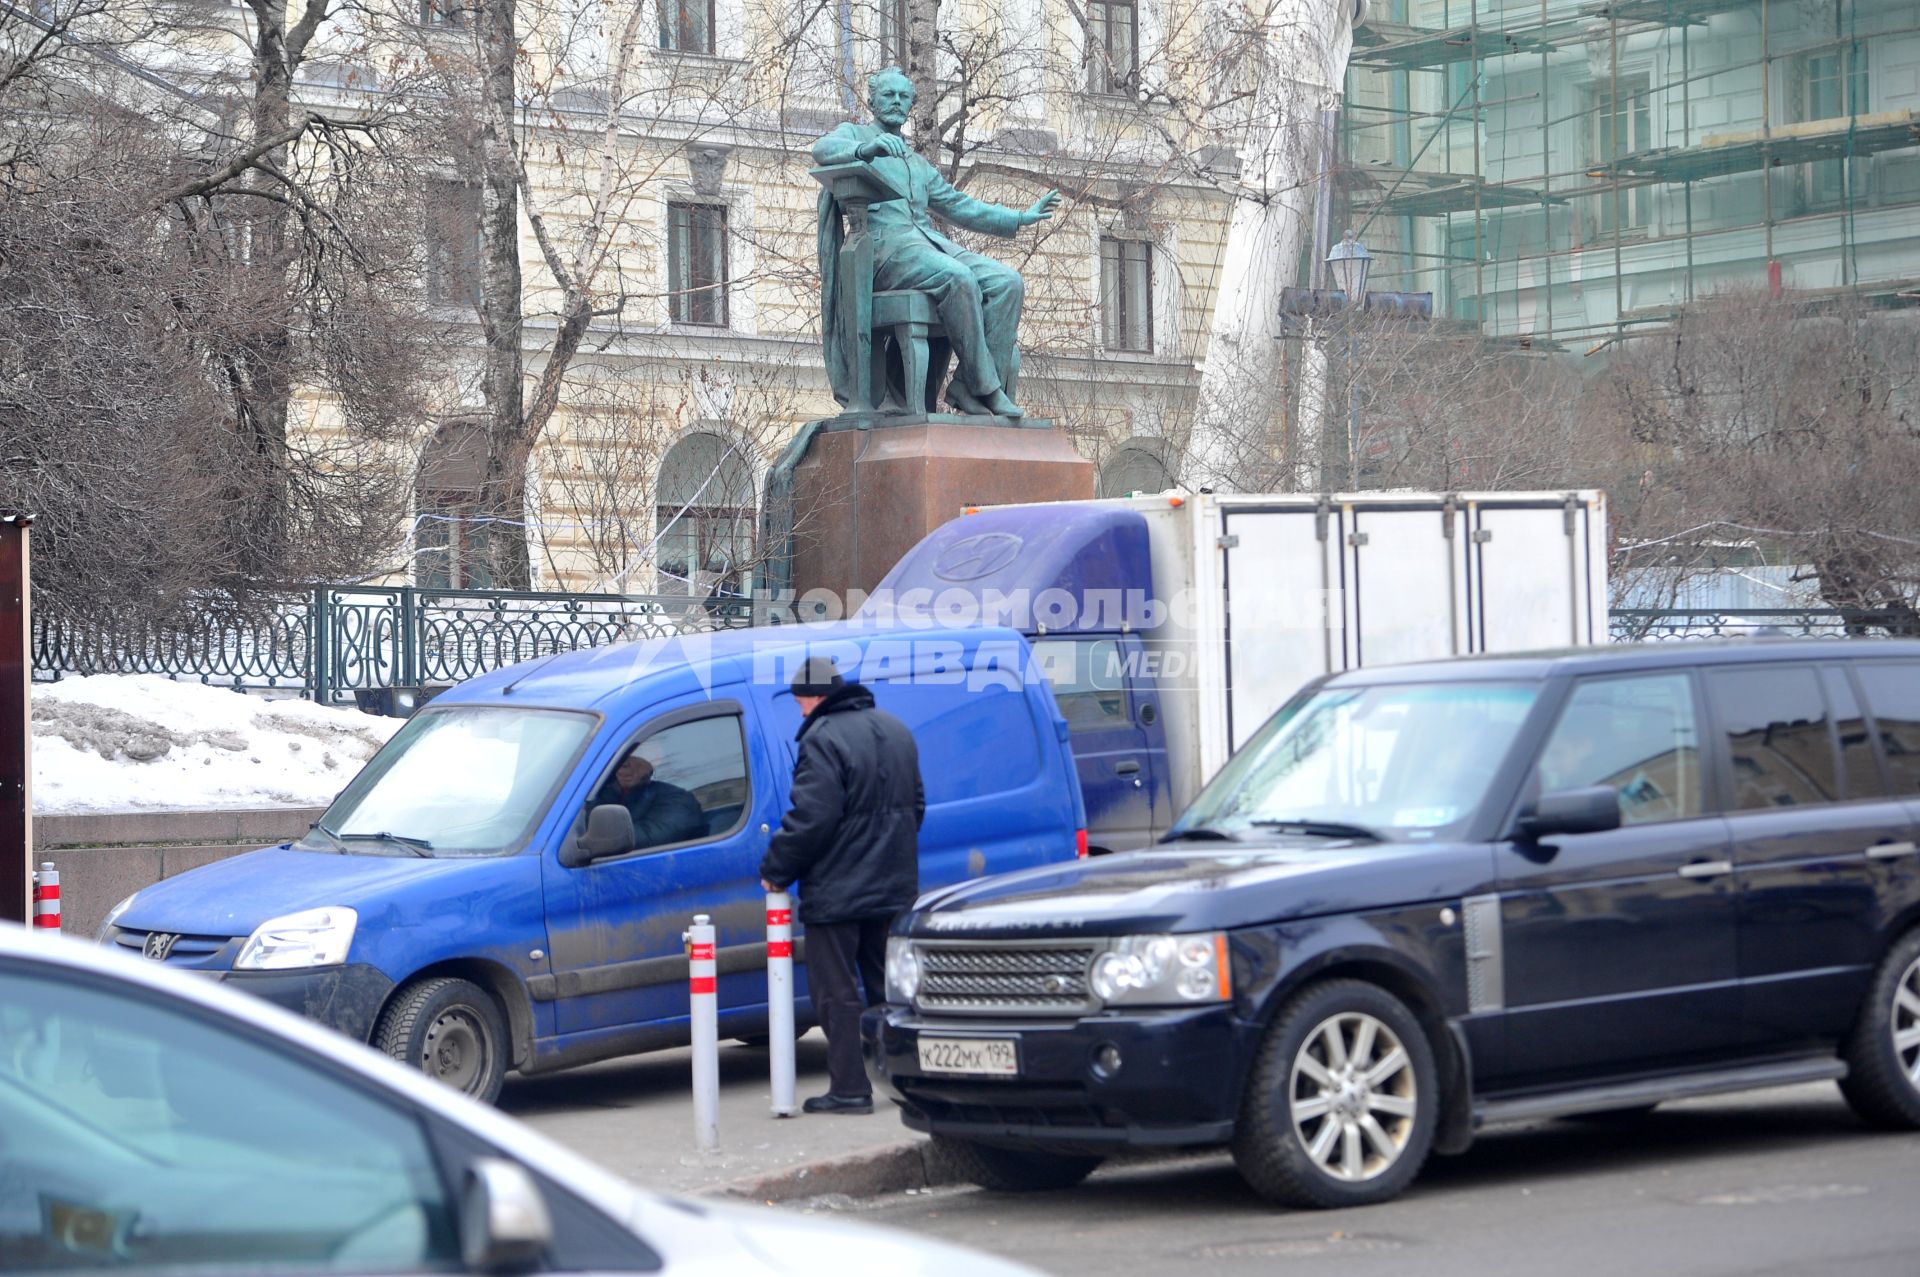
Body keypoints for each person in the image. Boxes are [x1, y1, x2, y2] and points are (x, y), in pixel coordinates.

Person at [812, 68, 1060, 419]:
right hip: (883, 251)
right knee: (958, 278)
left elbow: (962, 207)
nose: (897, 102)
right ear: (872, 100)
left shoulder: (918, 164)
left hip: (926, 246)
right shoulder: (856, 135)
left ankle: (966, 389)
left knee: (1008, 283)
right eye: (889, 95)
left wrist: (1018, 218)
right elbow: (821, 149)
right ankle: (988, 388)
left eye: (904, 97)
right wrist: (864, 149)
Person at [759, 656, 925, 1114]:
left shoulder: (823, 739)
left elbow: (813, 816)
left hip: (838, 892)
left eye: (800, 702)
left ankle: (850, 1088)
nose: (800, 712)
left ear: (816, 698)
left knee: (836, 992)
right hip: (893, 886)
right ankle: (907, 1083)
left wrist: (777, 867)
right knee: (887, 988)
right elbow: (916, 806)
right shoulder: (895, 729)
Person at [594, 744, 706, 850]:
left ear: (655, 757)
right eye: (618, 757)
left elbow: (647, 839)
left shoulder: (678, 799)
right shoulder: (602, 792)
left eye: (635, 753)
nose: (623, 764)